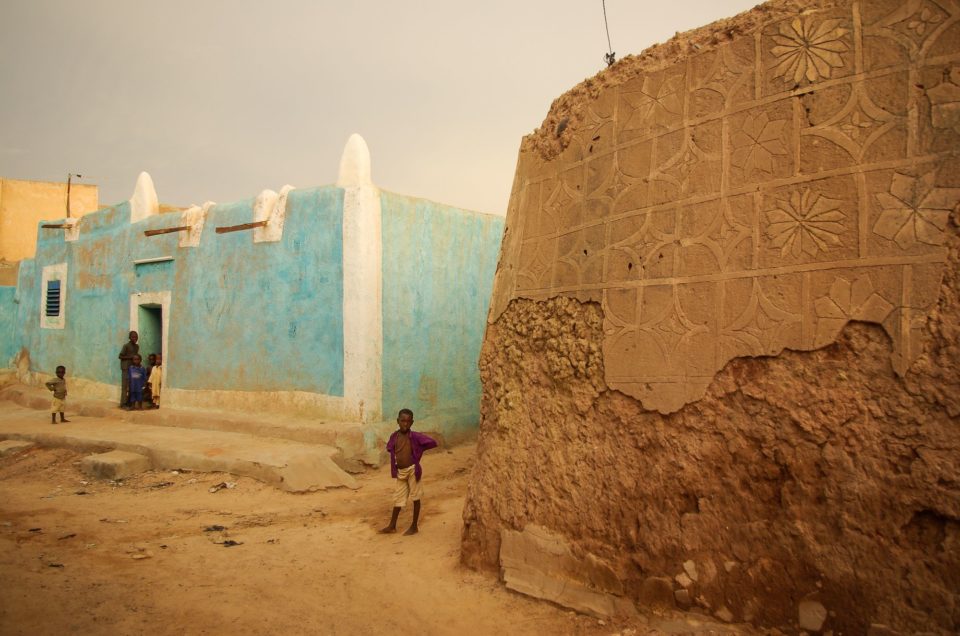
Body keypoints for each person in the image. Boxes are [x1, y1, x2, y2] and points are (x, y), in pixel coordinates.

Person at [380, 408, 437, 536]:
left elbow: (432, 442)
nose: (405, 424)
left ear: (412, 422)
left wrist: (418, 451)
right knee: (398, 499)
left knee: (415, 497)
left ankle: (414, 525)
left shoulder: (415, 436)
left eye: (408, 421)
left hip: (412, 470)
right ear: (397, 421)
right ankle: (392, 525)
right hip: (401, 472)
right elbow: (390, 448)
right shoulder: (394, 436)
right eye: (402, 421)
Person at [118, 331, 139, 408]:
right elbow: (120, 356)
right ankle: (123, 403)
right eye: (133, 337)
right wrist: (130, 357)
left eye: (136, 337)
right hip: (125, 368)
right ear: (129, 338)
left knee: (131, 386)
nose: (135, 338)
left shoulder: (137, 347)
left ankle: (129, 402)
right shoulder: (126, 346)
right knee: (124, 386)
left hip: (133, 368)